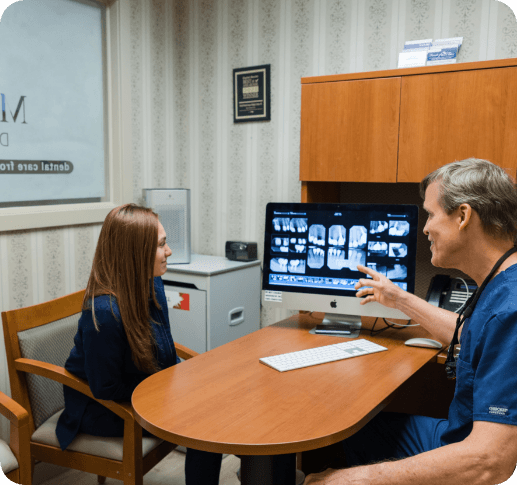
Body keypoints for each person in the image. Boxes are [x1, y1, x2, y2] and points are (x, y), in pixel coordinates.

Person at [306, 158, 517, 484]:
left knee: (340, 459)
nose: (425, 228)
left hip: (469, 452)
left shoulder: (510, 311)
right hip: (456, 431)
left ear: (463, 216)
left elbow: (490, 462)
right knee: (344, 429)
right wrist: (399, 299)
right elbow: (475, 335)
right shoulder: (502, 281)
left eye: (431, 214)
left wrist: (349, 480)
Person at [55, 204, 222, 485]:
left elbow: (164, 347)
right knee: (207, 424)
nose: (169, 251)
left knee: (227, 399)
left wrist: (183, 381)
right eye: (162, 245)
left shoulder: (151, 283)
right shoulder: (105, 314)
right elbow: (105, 389)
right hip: (102, 409)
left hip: (147, 388)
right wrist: (167, 394)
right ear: (136, 253)